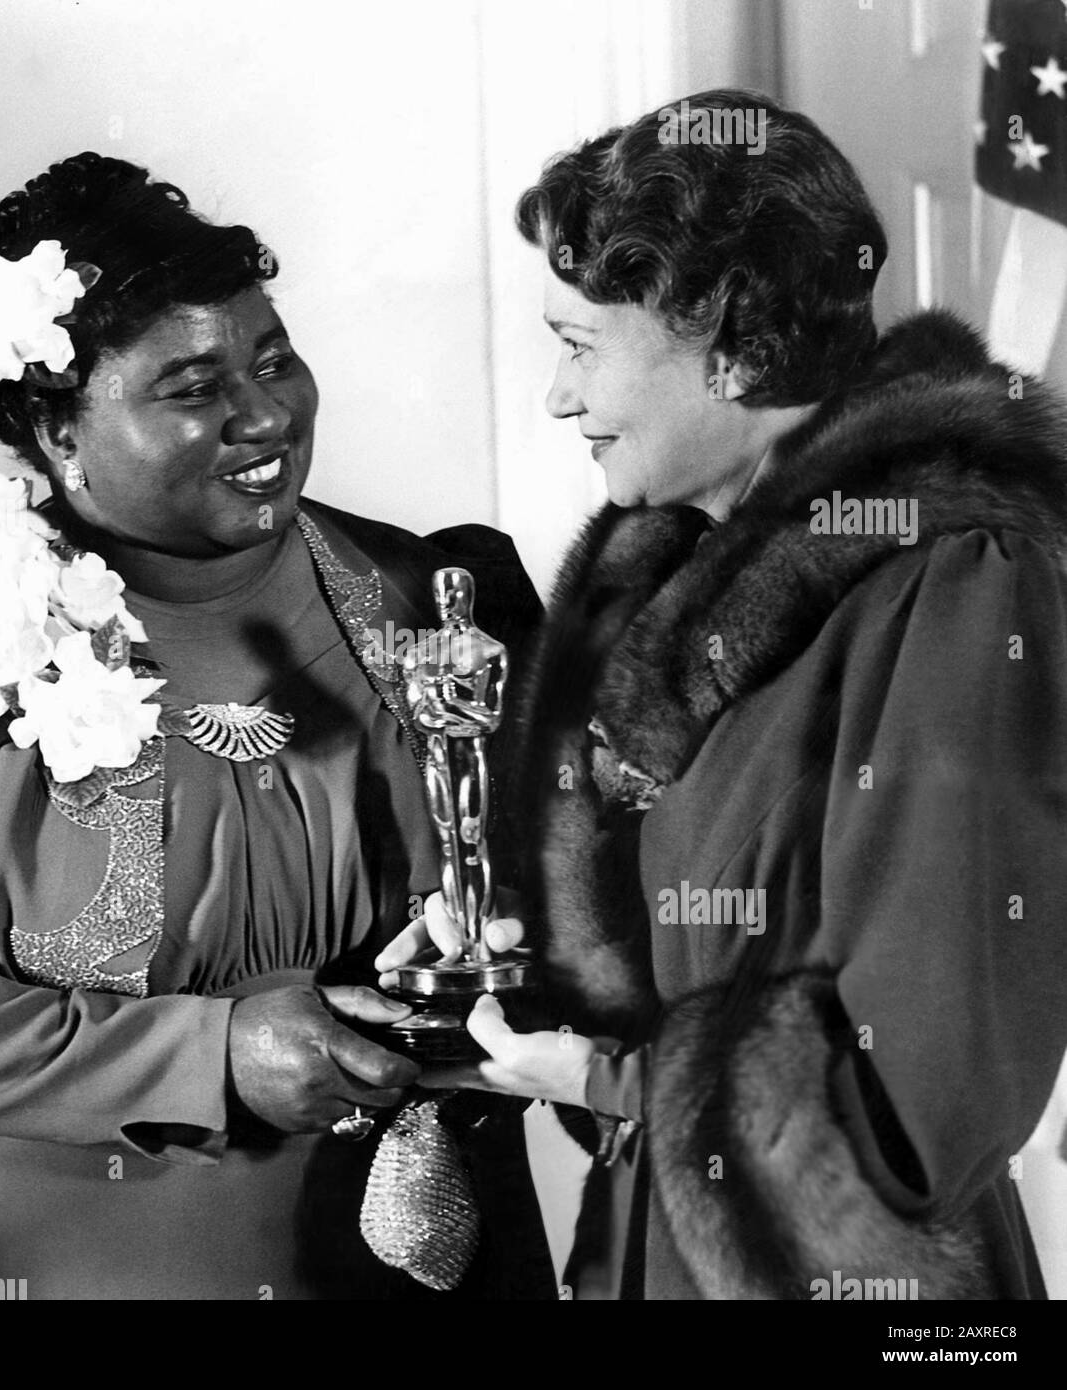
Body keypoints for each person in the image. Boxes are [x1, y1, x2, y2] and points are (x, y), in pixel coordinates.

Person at [0, 152, 552, 1300]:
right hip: (89, 1258)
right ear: (56, 431)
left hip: (426, 1240)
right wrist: (208, 1055)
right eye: (191, 390)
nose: (263, 412)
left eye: (273, 357)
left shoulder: (427, 590)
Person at [381, 89, 1067, 1299]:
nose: (554, 396)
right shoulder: (665, 575)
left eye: (582, 344)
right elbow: (681, 954)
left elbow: (924, 1091)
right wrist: (511, 973)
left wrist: (608, 1082)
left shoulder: (955, 583)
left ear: (735, 344)